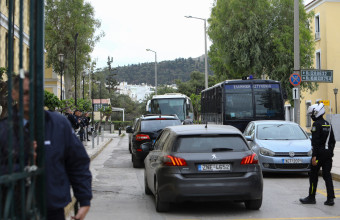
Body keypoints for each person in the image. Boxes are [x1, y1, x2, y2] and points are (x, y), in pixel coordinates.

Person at [0, 73, 92, 219]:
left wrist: (84, 199)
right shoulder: (4, 130)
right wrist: (23, 161)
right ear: (13, 94)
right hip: (13, 210)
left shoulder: (59, 124)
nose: (30, 97)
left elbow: (77, 162)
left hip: (52, 208)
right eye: (24, 93)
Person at [299, 103, 336, 206]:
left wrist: (314, 157)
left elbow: (315, 142)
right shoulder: (328, 124)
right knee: (327, 175)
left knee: (313, 175)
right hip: (327, 155)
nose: (311, 116)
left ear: (316, 113)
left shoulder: (316, 125)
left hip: (318, 155)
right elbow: (332, 141)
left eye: (312, 114)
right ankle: (330, 199)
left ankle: (311, 197)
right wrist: (330, 153)